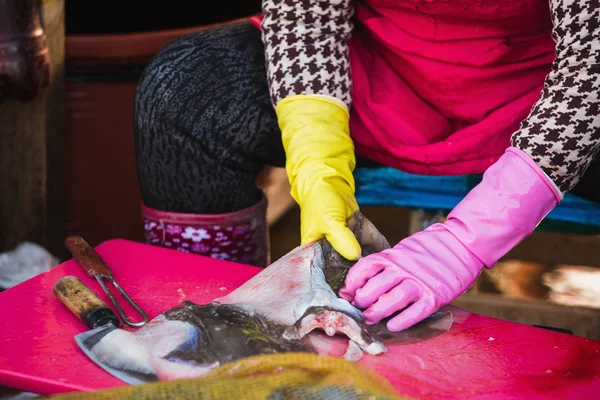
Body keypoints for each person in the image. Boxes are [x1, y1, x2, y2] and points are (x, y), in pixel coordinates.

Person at [134, 0, 599, 332]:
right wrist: (317, 163)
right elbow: (304, 17)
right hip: (376, 76)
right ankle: (216, 326)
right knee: (187, 90)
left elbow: (589, 68)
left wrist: (464, 245)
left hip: (547, 93)